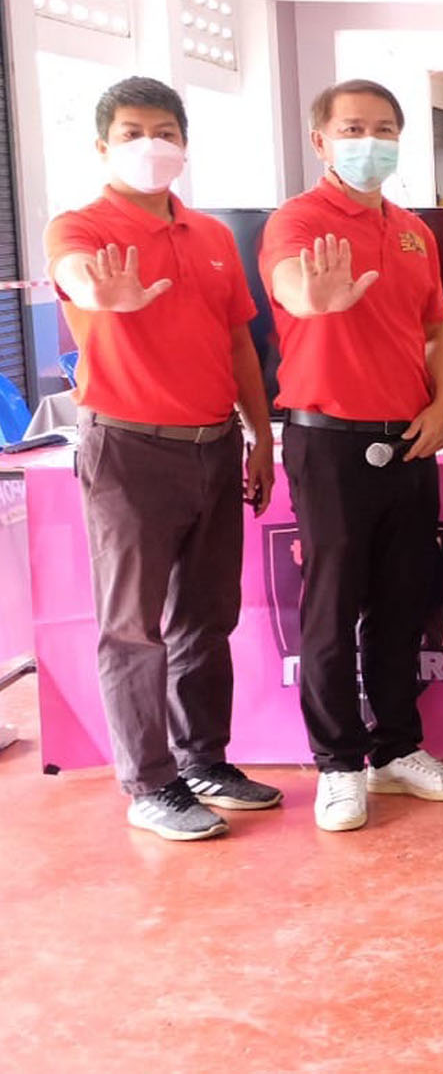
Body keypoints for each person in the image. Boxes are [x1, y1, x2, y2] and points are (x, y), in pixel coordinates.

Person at [45, 76, 280, 841]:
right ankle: (149, 783)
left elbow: (238, 339)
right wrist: (99, 294)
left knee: (208, 618)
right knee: (133, 627)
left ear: (182, 143)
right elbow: (76, 275)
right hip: (129, 451)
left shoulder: (210, 236)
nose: (151, 144)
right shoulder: (78, 228)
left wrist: (261, 432)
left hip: (216, 444)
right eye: (132, 130)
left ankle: (204, 760)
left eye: (164, 130)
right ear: (103, 146)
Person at [261, 78, 443, 831]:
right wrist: (317, 299)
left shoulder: (413, 231)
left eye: (384, 128)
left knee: (402, 601)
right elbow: (291, 286)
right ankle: (338, 763)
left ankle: (394, 750)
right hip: (330, 442)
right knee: (331, 607)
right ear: (321, 139)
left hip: (411, 438)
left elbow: (437, 331)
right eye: (353, 127)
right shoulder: (298, 221)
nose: (369, 140)